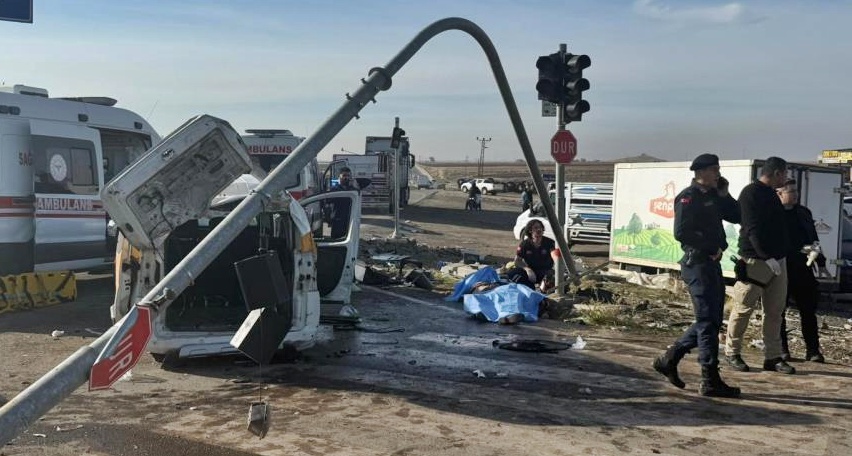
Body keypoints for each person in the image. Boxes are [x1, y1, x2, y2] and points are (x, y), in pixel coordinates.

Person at [652, 153, 742, 398]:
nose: (717, 174)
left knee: (711, 320)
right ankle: (709, 378)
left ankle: (670, 358)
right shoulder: (688, 198)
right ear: (700, 172)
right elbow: (681, 232)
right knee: (706, 321)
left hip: (711, 265)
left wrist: (725, 194)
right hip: (697, 264)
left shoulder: (713, 196)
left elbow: (737, 216)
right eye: (714, 170)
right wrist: (709, 247)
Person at [724, 156, 795, 375]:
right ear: (776, 173)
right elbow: (752, 229)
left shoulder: (773, 196)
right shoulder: (751, 193)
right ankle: (732, 352)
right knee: (744, 308)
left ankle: (772, 357)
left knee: (775, 312)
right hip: (755, 260)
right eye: (784, 173)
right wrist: (765, 257)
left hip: (778, 261)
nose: (786, 178)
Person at [777, 179, 825, 363]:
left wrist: (819, 258)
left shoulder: (803, 213)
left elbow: (813, 238)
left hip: (803, 267)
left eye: (796, 191)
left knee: (808, 310)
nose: (795, 194)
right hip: (781, 267)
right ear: (780, 193)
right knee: (779, 310)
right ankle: (782, 350)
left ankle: (813, 350)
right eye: (791, 191)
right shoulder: (774, 213)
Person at [512, 219, 559, 293]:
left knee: (551, 280)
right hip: (531, 272)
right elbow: (517, 261)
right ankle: (528, 289)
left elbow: (556, 257)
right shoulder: (525, 244)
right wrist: (527, 269)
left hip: (545, 271)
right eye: (536, 228)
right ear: (530, 230)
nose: (539, 229)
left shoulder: (550, 242)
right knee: (513, 273)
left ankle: (543, 289)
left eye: (540, 227)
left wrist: (558, 267)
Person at [328, 167, 358, 238]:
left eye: (348, 176)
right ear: (339, 176)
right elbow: (328, 201)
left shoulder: (353, 190)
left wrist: (355, 186)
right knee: (336, 240)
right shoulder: (335, 189)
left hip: (350, 219)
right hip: (338, 218)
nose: (346, 177)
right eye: (344, 175)